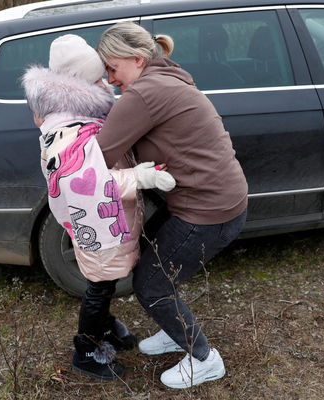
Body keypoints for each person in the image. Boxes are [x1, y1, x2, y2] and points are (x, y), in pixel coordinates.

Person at [95, 22, 249, 389]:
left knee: (151, 284)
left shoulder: (145, 93)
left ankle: (203, 359)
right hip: (218, 198)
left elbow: (99, 155)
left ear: (136, 58)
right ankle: (174, 329)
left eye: (113, 68)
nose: (111, 78)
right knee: (150, 255)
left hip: (207, 210)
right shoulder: (169, 76)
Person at [21, 34, 176, 381]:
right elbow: (82, 182)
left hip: (109, 221)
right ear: (78, 85)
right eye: (96, 79)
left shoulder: (75, 115)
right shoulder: (68, 129)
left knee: (104, 280)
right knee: (100, 283)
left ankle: (104, 328)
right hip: (98, 224)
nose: (105, 83)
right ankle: (87, 350)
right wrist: (139, 179)